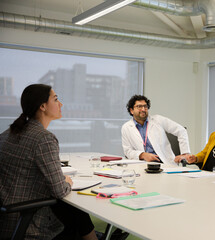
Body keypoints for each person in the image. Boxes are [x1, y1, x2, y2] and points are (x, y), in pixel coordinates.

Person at [0, 84, 98, 239]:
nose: (61, 104)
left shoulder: (6, 134)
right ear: (43, 106)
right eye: (56, 99)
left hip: (7, 220)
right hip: (28, 224)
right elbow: (59, 190)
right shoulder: (43, 138)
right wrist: (66, 181)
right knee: (76, 211)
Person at [121, 95, 190, 165]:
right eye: (139, 106)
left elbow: (181, 130)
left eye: (145, 106)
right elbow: (127, 151)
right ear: (131, 110)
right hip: (142, 164)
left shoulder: (158, 120)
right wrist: (142, 155)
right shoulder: (126, 127)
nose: (143, 109)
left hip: (164, 164)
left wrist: (185, 153)